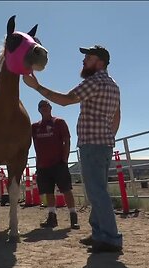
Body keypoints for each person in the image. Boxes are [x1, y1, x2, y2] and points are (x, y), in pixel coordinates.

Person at [23, 45, 122, 253]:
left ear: (100, 62)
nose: (84, 60)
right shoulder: (113, 84)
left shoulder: (94, 81)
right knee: (98, 190)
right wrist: (109, 137)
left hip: (92, 145)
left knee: (97, 193)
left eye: (88, 57)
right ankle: (99, 234)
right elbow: (117, 115)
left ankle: (111, 239)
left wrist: (37, 87)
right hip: (103, 144)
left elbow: (67, 100)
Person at [32, 99, 80, 230]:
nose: (44, 108)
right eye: (41, 106)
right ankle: (52, 216)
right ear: (39, 110)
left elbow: (67, 140)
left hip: (58, 163)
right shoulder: (35, 127)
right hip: (43, 165)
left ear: (50, 107)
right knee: (48, 192)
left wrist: (65, 158)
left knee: (66, 190)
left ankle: (73, 216)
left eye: (46, 106)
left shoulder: (59, 122)